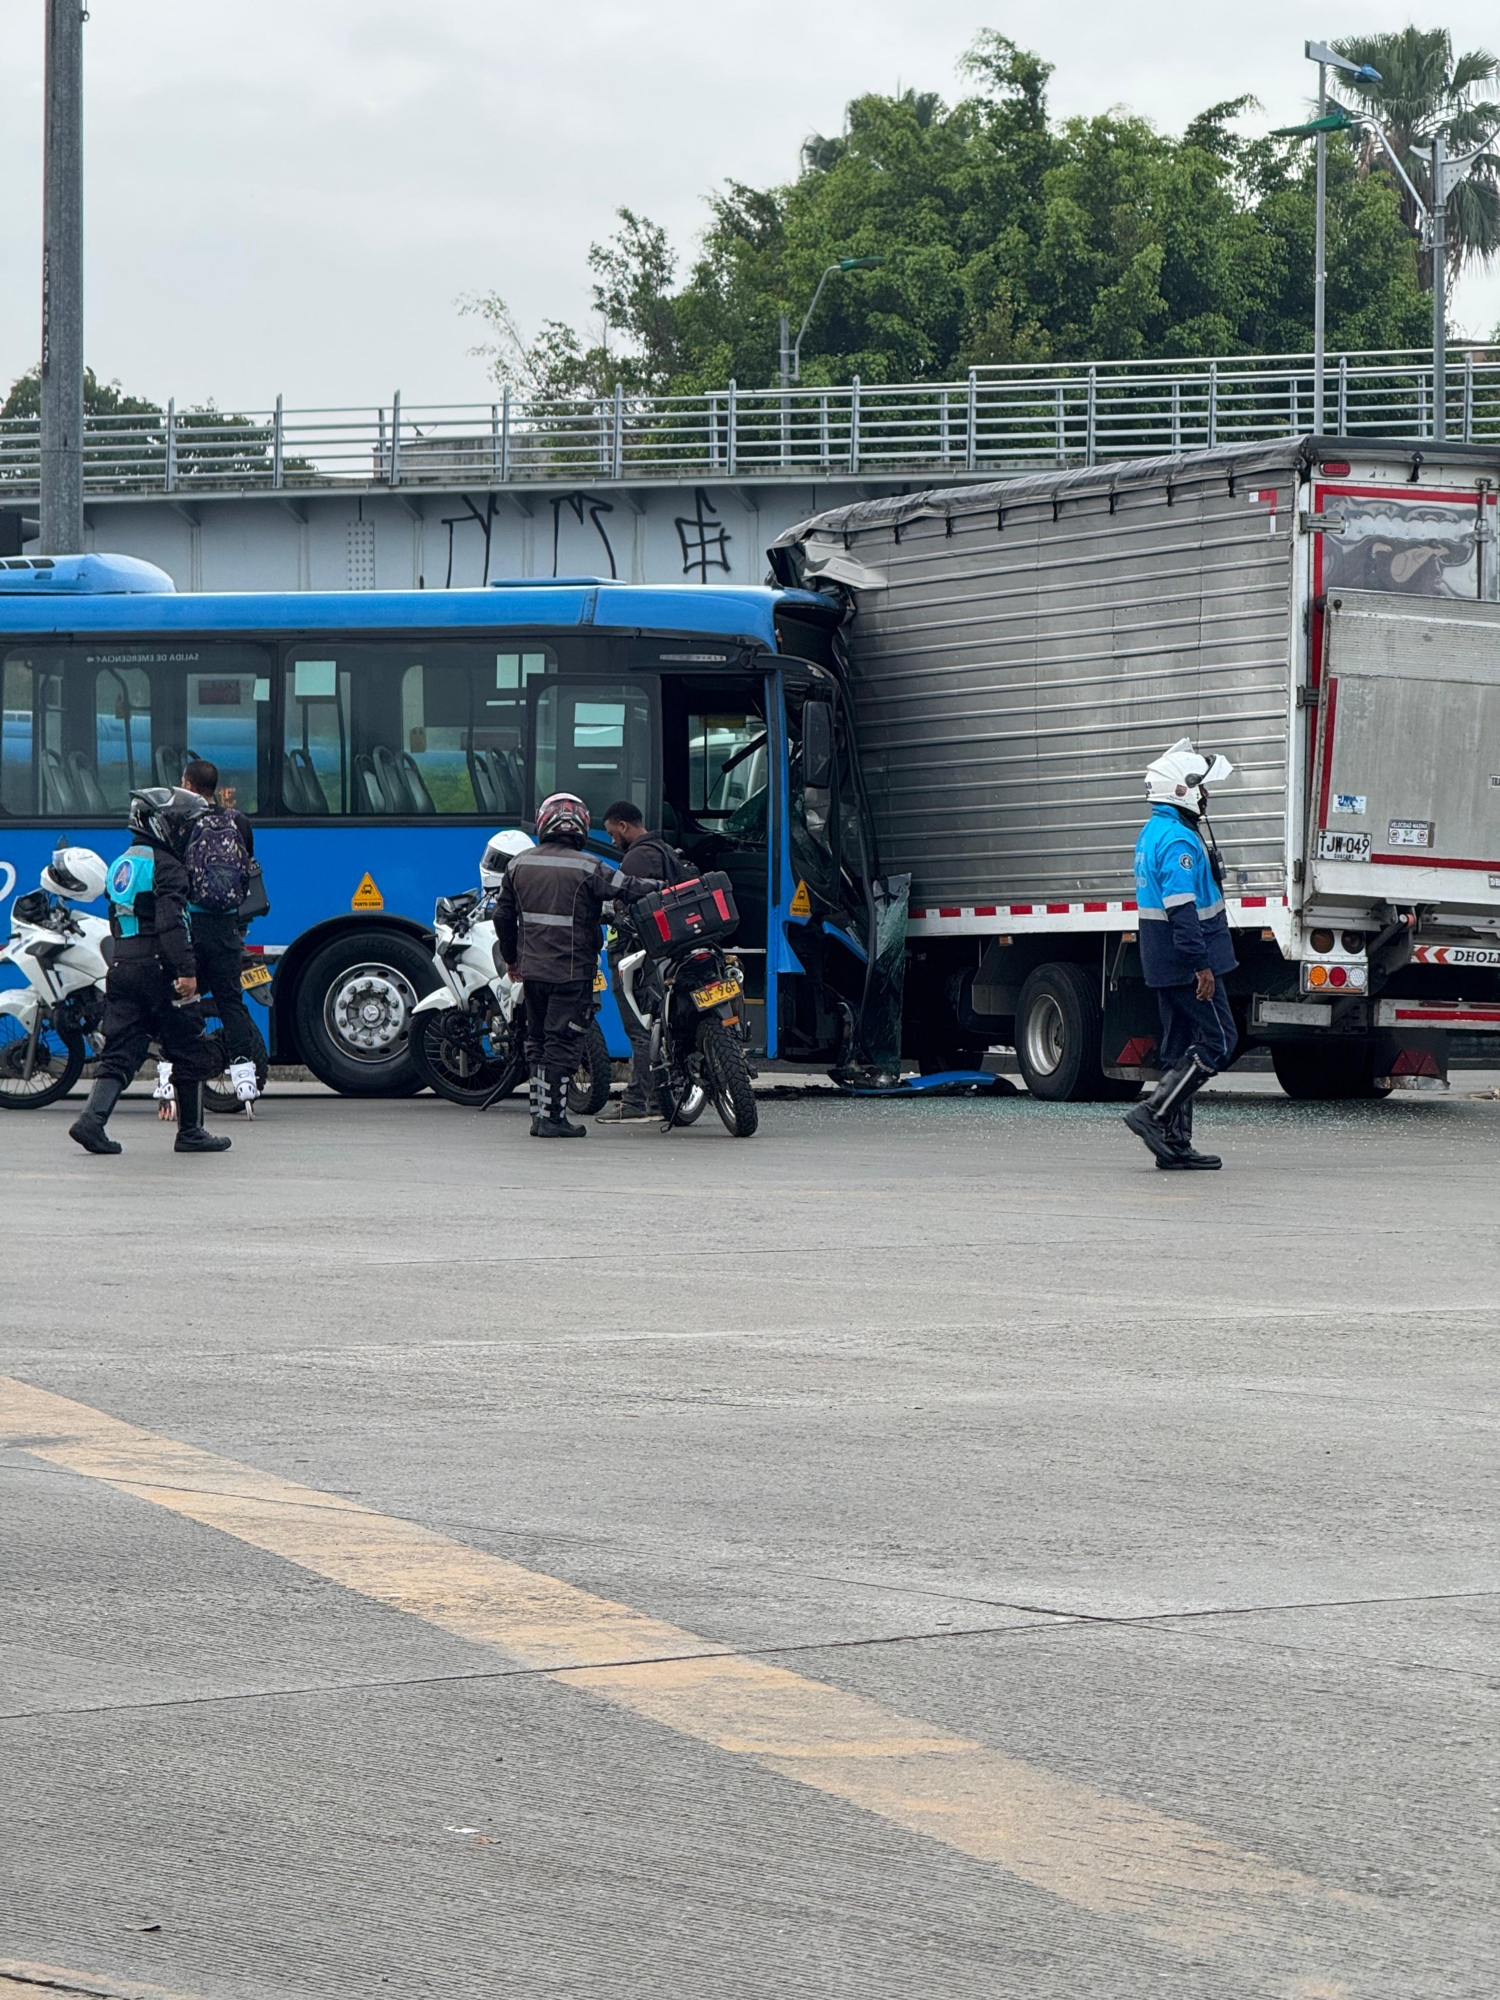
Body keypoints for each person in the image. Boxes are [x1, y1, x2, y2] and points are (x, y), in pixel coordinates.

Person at [69, 787, 231, 1156]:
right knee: (188, 1046)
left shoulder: (121, 864)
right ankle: (190, 1132)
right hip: (160, 969)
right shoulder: (167, 866)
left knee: (122, 1048)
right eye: (182, 826)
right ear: (162, 825)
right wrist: (186, 971)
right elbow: (172, 923)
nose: (187, 833)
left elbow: (116, 921)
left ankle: (92, 1121)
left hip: (123, 966)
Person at [494, 792, 662, 1139]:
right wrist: (668, 886)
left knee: (537, 1040)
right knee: (564, 1042)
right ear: (581, 826)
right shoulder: (588, 866)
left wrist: (512, 959)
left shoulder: (518, 865)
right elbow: (629, 888)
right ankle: (555, 1118)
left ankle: (539, 1116)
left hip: (532, 972)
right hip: (571, 974)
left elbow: (503, 917)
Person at [1122, 739, 1238, 1171]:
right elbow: (1181, 909)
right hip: (1186, 961)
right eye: (1203, 788)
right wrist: (1201, 964)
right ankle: (1153, 1114)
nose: (1207, 797)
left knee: (1181, 1048)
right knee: (1218, 1042)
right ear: (1181, 789)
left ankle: (1174, 1144)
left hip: (1163, 961)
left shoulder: (1155, 831)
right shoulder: (1177, 841)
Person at [597, 800, 692, 1123]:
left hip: (635, 955)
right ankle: (656, 1099)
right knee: (658, 1028)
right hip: (666, 952)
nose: (612, 841)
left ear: (623, 826)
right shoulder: (665, 851)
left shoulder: (636, 858)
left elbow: (622, 904)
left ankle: (636, 1100)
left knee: (640, 1027)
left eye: (612, 833)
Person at [178, 757, 261, 1112]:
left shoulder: (182, 822)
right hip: (227, 926)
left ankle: (173, 1085)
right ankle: (245, 1082)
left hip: (192, 925)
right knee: (231, 1003)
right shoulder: (238, 821)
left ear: (191, 786)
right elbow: (248, 866)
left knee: (182, 1001)